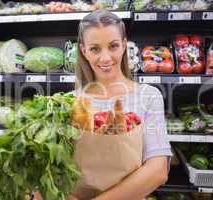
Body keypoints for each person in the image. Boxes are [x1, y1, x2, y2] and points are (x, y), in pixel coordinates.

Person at [34, 9, 172, 200]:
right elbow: (53, 167)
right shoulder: (67, 102)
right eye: (95, 49)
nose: (105, 58)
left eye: (113, 46)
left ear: (124, 46)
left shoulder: (148, 96)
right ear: (83, 50)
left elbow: (158, 169)